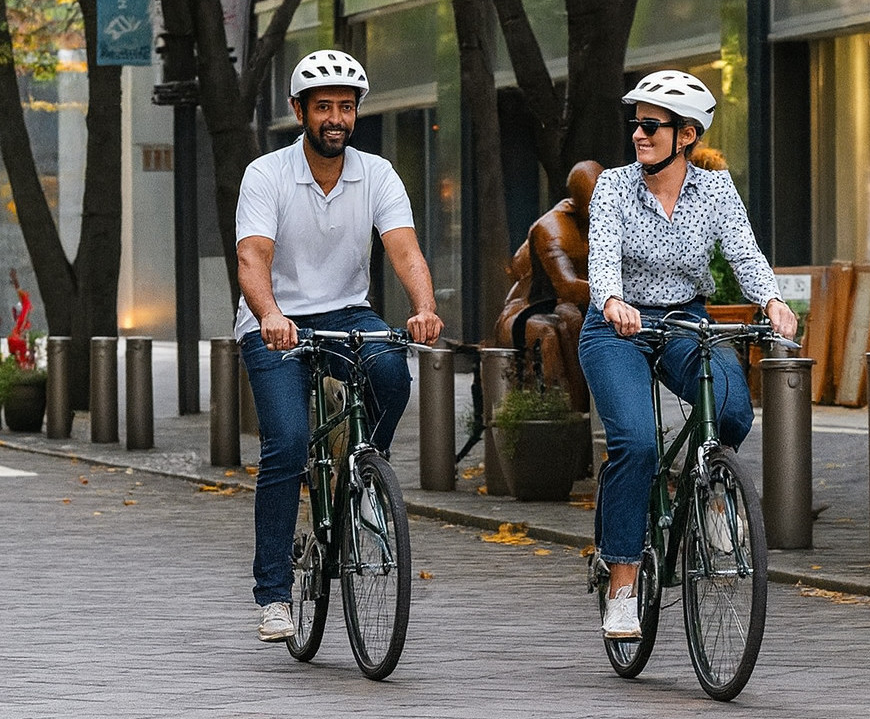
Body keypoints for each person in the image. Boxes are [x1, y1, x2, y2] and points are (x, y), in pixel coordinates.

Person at [577, 69, 798, 640]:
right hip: (615, 326)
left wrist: (772, 300)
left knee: (732, 409)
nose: (638, 134)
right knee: (636, 443)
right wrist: (612, 299)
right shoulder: (613, 187)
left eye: (651, 126)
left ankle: (712, 491)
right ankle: (622, 586)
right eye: (636, 124)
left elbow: (745, 254)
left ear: (687, 135)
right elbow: (602, 257)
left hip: (684, 321)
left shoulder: (716, 191)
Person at [235, 48, 444, 644]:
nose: (335, 118)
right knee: (287, 444)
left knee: (393, 373)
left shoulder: (377, 174)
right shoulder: (266, 174)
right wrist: (270, 315)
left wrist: (424, 308)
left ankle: (362, 476)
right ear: (299, 110)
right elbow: (252, 258)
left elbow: (404, 249)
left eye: (346, 107)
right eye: (323, 106)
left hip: (347, 312)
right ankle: (274, 595)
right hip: (275, 319)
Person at [493, 160, 602, 411]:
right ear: (577, 200)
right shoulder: (552, 228)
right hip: (528, 308)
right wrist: (621, 293)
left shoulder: (606, 222)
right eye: (594, 201)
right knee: (567, 323)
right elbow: (566, 287)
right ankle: (574, 413)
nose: (603, 207)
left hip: (573, 305)